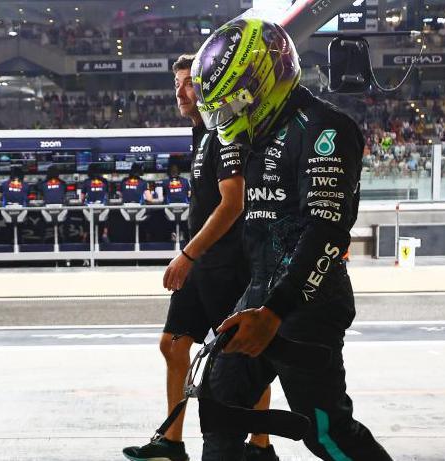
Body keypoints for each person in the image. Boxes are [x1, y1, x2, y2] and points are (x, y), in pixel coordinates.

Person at [190, 17, 392, 460]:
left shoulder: (326, 129)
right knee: (218, 412)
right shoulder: (261, 135)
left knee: (325, 431)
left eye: (230, 106)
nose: (228, 120)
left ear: (257, 86)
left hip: (308, 306)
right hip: (260, 296)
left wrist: (275, 311)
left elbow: (326, 230)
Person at [123, 54, 275, 461]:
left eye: (189, 82)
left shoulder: (224, 132)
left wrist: (187, 255)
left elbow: (233, 203)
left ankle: (260, 447)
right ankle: (171, 442)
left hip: (228, 265)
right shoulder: (200, 134)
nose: (180, 90)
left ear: (209, 86)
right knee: (172, 345)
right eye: (177, 83)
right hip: (202, 263)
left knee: (245, 354)